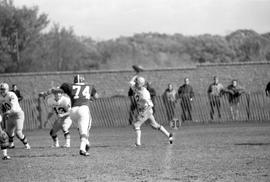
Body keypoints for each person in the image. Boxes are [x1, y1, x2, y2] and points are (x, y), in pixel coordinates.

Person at [59, 75, 98, 156]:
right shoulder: (89, 86)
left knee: (81, 129)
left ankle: (86, 143)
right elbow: (96, 96)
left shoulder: (69, 86)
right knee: (85, 130)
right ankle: (82, 148)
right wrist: (90, 99)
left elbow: (62, 87)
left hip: (73, 111)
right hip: (83, 109)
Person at [129, 76, 173, 146]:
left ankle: (138, 143)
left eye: (138, 83)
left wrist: (143, 113)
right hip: (145, 110)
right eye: (136, 82)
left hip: (147, 110)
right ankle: (169, 135)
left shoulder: (145, 93)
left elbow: (150, 105)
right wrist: (136, 76)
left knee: (136, 125)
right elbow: (131, 82)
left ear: (142, 84)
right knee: (155, 126)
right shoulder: (135, 87)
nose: (136, 84)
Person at [0, 82, 31, 150]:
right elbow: (2, 108)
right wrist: (4, 113)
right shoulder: (1, 97)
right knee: (9, 133)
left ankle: (27, 145)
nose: (2, 91)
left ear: (7, 89)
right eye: (1, 89)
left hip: (17, 115)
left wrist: (6, 113)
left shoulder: (11, 94)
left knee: (18, 133)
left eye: (3, 89)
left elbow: (14, 108)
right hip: (9, 116)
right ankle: (11, 145)